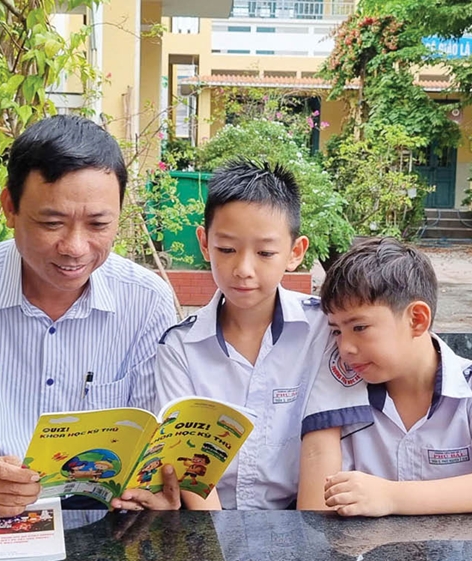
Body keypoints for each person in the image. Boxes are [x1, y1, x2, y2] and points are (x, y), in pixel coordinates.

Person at [0, 115, 177, 518]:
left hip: (102, 515)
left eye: (99, 224)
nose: (74, 247)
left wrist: (154, 492)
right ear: (10, 208)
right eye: (51, 223)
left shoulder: (146, 299)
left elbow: (149, 435)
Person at [114, 160, 333, 511]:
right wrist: (219, 545)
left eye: (265, 253)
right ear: (204, 243)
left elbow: (325, 444)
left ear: (295, 253)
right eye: (227, 249)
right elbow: (188, 463)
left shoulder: (322, 330)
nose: (243, 269)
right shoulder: (180, 348)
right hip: (209, 520)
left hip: (301, 519)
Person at [298, 237, 472, 515]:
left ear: (417, 320)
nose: (345, 348)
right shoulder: (339, 386)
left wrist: (390, 497)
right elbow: (313, 512)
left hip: (457, 555)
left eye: (359, 327)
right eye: (336, 331)